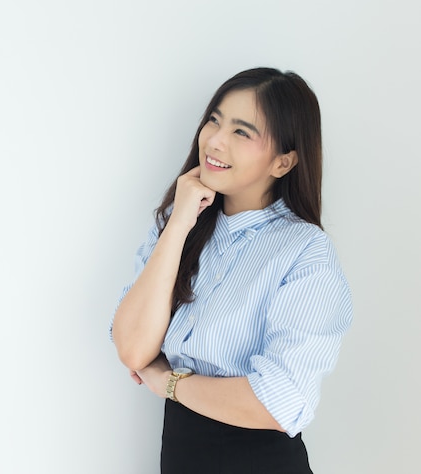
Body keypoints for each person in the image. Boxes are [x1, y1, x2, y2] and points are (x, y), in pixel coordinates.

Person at [110, 67, 352, 473]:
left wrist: (169, 382)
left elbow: (282, 401)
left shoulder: (305, 251)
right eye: (215, 120)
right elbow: (133, 348)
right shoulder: (179, 222)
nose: (215, 140)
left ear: (283, 162)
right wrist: (180, 221)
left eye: (242, 132)